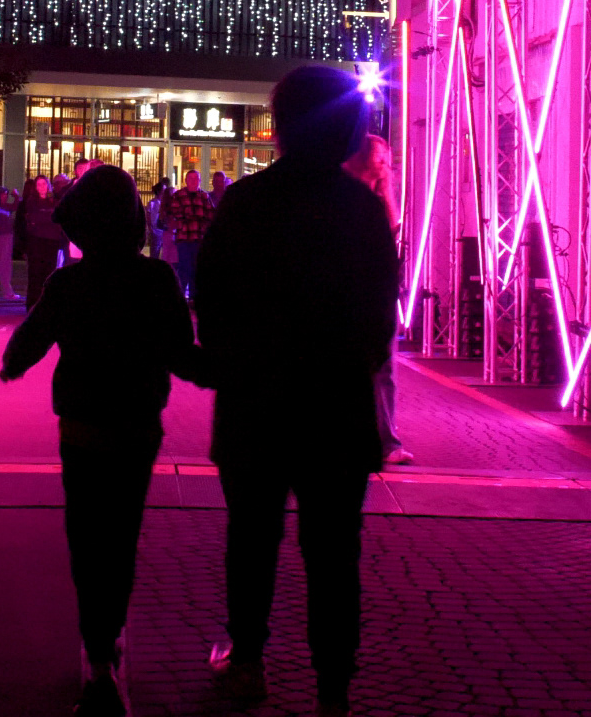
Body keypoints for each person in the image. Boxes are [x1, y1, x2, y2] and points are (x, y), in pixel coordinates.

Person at [193, 66, 398, 717]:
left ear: (280, 127)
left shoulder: (246, 204)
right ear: (347, 130)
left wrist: (232, 360)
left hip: (256, 403)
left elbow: (212, 300)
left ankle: (248, 660)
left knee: (251, 539)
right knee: (335, 552)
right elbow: (379, 314)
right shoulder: (364, 210)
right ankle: (333, 685)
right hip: (337, 406)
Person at [0, 165, 209, 717]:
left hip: (83, 426)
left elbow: (29, 341)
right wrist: (229, 371)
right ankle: (107, 642)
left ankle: (96, 653)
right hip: (137, 427)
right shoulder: (157, 281)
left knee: (87, 538)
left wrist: (12, 365)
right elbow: (182, 355)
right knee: (121, 538)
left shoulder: (69, 283)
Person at [345, 134, 411, 464]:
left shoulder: (384, 199)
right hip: (352, 292)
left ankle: (388, 441)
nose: (385, 160)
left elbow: (389, 246)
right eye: (378, 153)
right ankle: (368, 439)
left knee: (384, 371)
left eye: (386, 153)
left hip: (380, 294)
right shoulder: (347, 196)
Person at [16, 175, 67, 309]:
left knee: (49, 273)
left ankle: (46, 305)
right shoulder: (31, 201)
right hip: (36, 242)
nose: (42, 187)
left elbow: (56, 219)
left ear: (48, 185)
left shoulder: (55, 201)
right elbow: (36, 219)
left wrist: (46, 218)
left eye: (44, 184)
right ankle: (32, 304)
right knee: (35, 274)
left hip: (52, 242)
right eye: (39, 184)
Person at [162, 168, 214, 297]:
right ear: (185, 180)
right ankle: (180, 296)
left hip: (199, 238)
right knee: (185, 268)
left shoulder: (204, 196)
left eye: (196, 179)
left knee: (196, 269)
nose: (193, 181)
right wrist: (193, 218)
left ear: (200, 181)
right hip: (184, 238)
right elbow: (175, 214)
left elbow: (211, 215)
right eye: (190, 179)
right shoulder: (178, 195)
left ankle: (193, 296)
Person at [145, 178, 172, 262]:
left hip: (165, 231)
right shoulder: (152, 203)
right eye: (163, 190)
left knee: (165, 253)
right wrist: (150, 228)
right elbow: (148, 216)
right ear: (159, 192)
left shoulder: (167, 203)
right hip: (156, 231)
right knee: (155, 253)